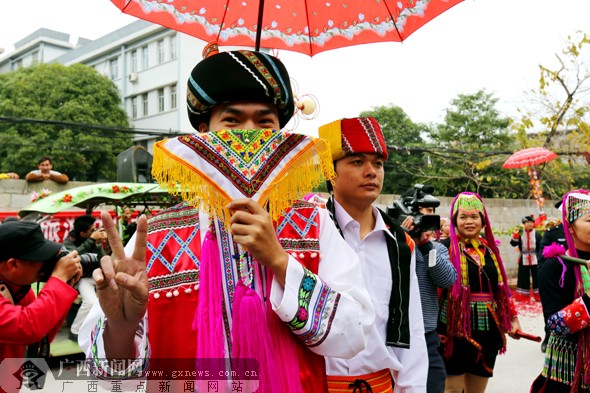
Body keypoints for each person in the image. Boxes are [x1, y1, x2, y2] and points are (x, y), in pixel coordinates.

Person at [80, 47, 373, 392]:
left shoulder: (312, 222)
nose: (248, 136)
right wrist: (121, 325)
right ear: (204, 134)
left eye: (265, 122)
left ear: (280, 134)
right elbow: (111, 374)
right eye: (232, 121)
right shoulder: (159, 236)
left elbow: (354, 334)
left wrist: (279, 261)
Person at [317, 117, 427, 392]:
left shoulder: (401, 244)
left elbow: (411, 332)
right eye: (357, 162)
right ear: (329, 172)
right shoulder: (306, 235)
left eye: (378, 163)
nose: (371, 172)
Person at [439, 192, 521, 393]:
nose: (469, 222)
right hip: (454, 328)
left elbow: (501, 292)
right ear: (454, 221)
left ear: (483, 221)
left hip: (487, 328)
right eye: (463, 217)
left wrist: (514, 319)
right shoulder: (444, 249)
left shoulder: (491, 251)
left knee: (477, 389)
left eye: (474, 216)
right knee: (451, 389)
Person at [398, 190, 457, 393]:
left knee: (434, 384)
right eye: (423, 210)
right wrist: (400, 241)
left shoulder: (437, 249)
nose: (427, 215)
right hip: (397, 334)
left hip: (427, 334)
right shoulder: (391, 242)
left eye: (432, 211)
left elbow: (447, 279)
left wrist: (424, 245)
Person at [531, 190, 590, 393]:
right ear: (570, 227)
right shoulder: (556, 267)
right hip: (569, 365)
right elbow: (554, 325)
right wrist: (588, 300)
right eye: (589, 219)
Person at [0, 221, 81, 362]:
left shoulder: (18, 288)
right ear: (13, 264)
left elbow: (42, 332)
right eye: (40, 258)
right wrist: (59, 279)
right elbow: (27, 327)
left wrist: (65, 285)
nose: (47, 264)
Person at [63, 215, 106, 342]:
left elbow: (102, 260)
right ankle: (74, 331)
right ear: (82, 233)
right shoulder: (69, 242)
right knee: (91, 302)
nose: (95, 232)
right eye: (92, 230)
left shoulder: (91, 240)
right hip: (78, 278)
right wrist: (91, 241)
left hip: (94, 275)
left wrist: (98, 245)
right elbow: (73, 256)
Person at [509, 215, 541, 302]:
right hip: (523, 258)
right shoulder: (520, 233)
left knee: (537, 277)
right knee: (523, 277)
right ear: (524, 224)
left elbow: (541, 246)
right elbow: (513, 244)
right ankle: (523, 296)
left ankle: (538, 296)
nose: (530, 224)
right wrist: (515, 235)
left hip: (535, 258)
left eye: (531, 222)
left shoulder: (537, 234)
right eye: (527, 222)